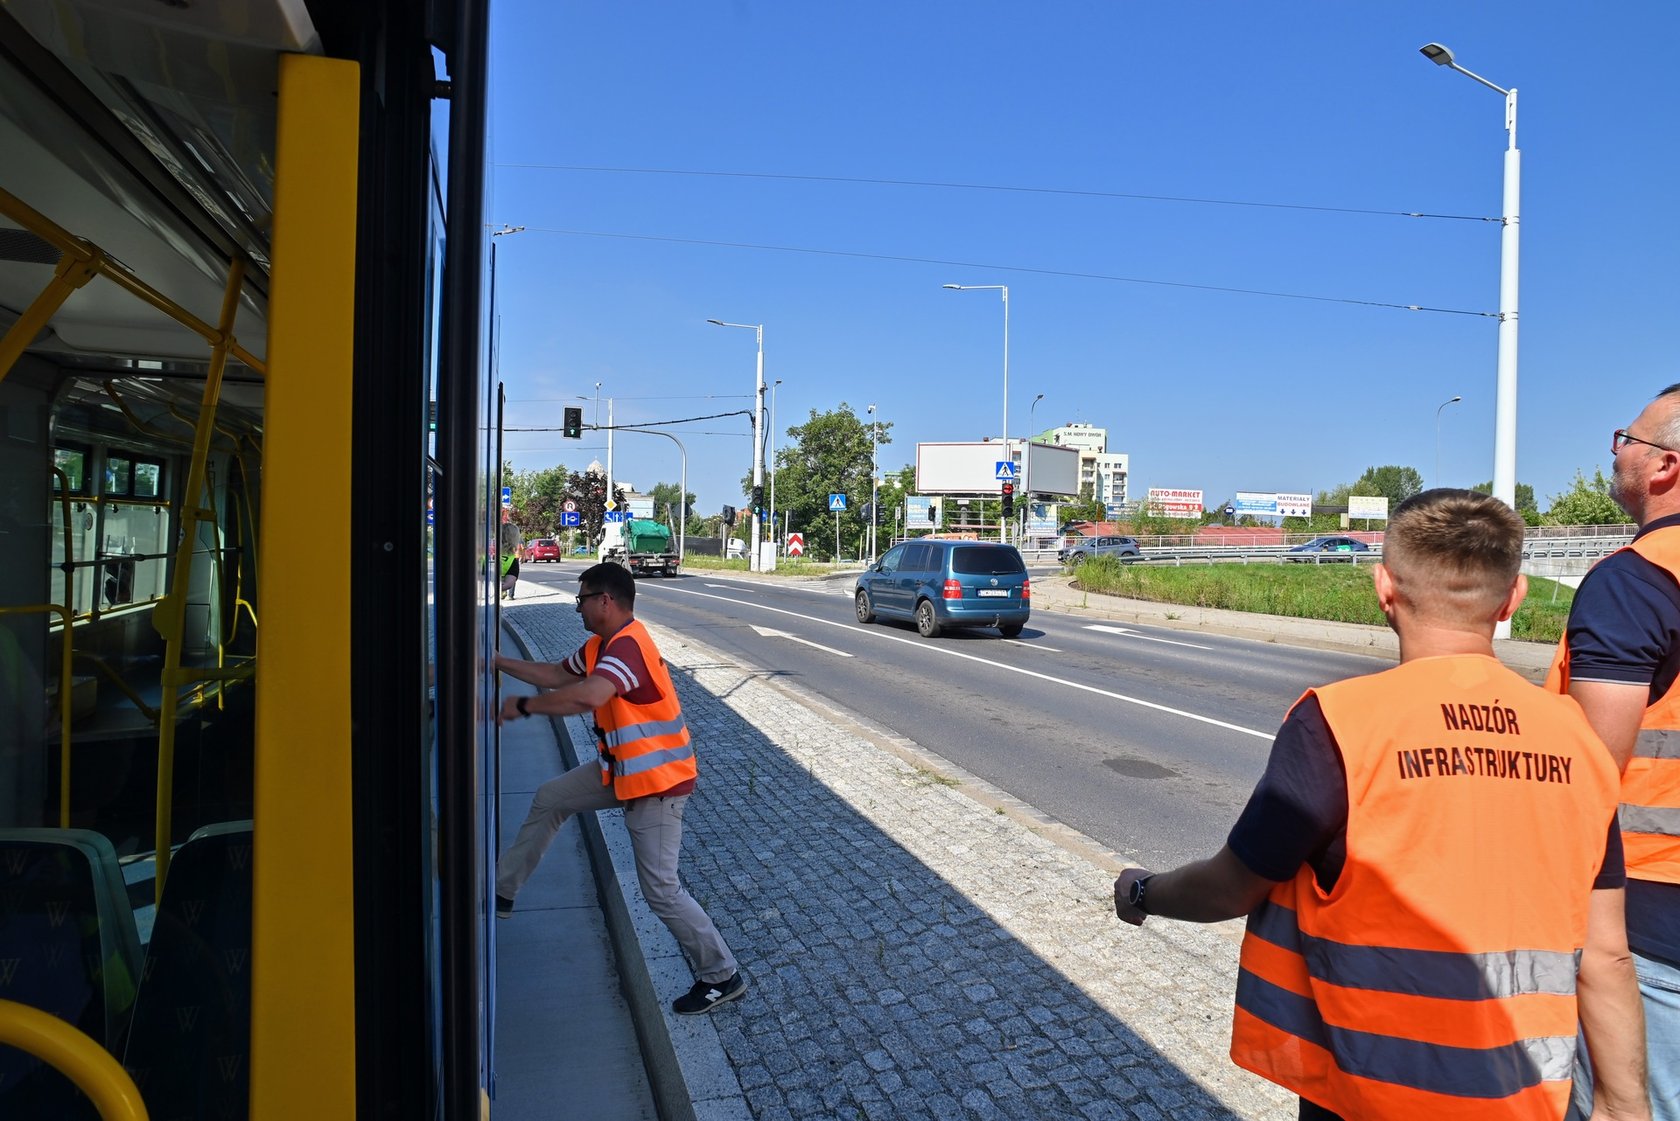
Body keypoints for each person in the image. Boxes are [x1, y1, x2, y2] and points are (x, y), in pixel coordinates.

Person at [1113, 489, 1648, 1121]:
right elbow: (1607, 954)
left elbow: (1230, 889)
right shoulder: (1577, 739)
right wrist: (1624, 1105)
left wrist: (1142, 891)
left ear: (1384, 587)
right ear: (1514, 598)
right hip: (1523, 1094)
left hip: (1368, 1089)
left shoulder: (1340, 723)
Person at [494, 562, 745, 1015]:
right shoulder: (600, 646)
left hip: (659, 785)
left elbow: (589, 696)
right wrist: (496, 661)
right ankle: (501, 890)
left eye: (582, 599)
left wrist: (525, 706)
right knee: (551, 798)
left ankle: (721, 975)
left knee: (661, 890)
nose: (578, 608)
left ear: (605, 601)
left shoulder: (628, 648)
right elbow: (556, 675)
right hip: (623, 773)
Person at [1549, 385, 1680, 1121]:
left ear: (1665, 465)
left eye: (1625, 439)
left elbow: (1588, 775)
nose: (1615, 451)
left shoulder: (1638, 581)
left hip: (1648, 914)